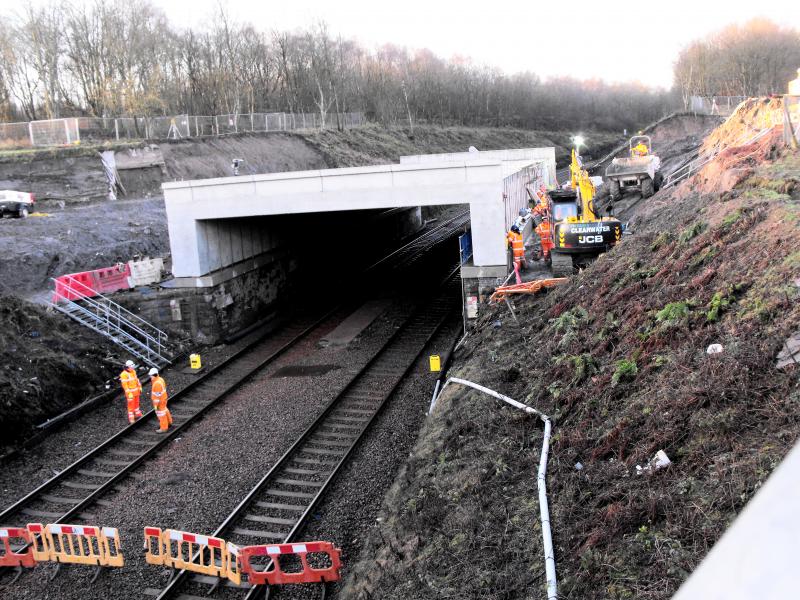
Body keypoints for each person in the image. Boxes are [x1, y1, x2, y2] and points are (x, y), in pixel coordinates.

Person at [149, 368, 173, 433]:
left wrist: (156, 406)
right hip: (164, 399)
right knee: (165, 410)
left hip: (159, 401)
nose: (150, 377)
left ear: (154, 375)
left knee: (161, 414)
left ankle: (164, 428)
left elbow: (157, 397)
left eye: (150, 375)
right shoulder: (160, 379)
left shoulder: (156, 384)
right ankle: (169, 422)